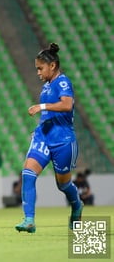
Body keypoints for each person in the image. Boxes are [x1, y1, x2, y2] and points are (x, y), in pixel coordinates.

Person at [15, 43, 82, 233]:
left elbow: (67, 105)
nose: (38, 72)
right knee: (28, 174)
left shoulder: (62, 82)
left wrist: (41, 107)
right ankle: (29, 220)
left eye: (40, 68)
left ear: (52, 66)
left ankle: (77, 205)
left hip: (63, 141)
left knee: (63, 184)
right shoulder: (47, 86)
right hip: (44, 137)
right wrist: (39, 128)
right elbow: (50, 114)